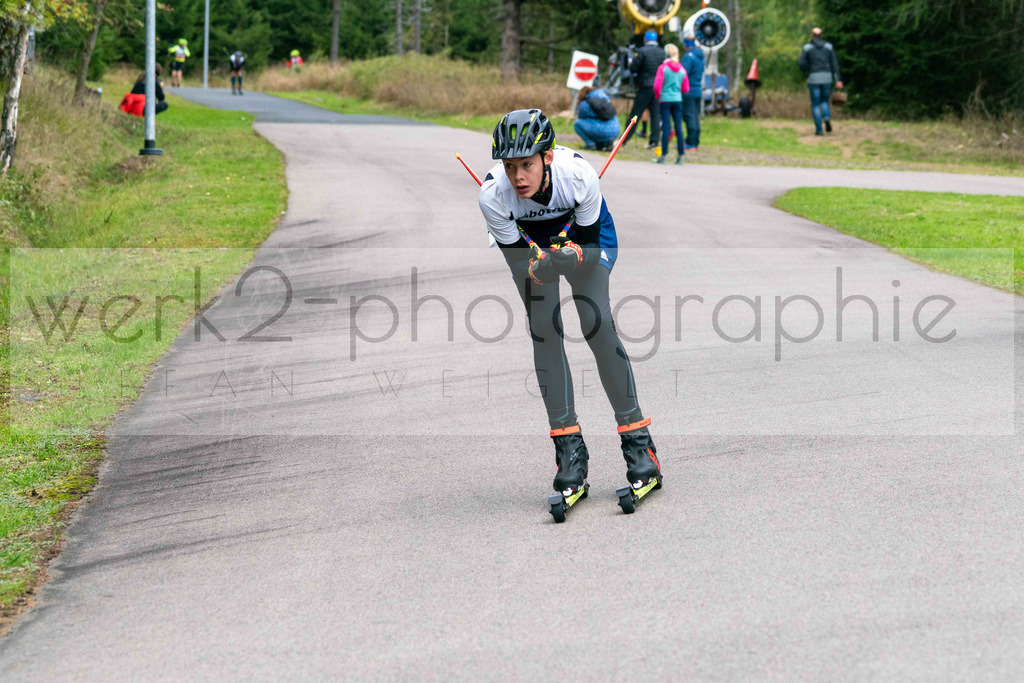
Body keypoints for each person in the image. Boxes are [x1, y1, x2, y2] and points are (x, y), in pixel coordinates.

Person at [477, 109, 663, 501]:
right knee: (544, 329)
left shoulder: (578, 175)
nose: (518, 177)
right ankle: (570, 454)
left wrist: (574, 257)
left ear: (547, 157)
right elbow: (521, 265)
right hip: (531, 245)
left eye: (526, 165)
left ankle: (639, 445)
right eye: (509, 167)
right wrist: (541, 268)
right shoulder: (493, 196)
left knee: (596, 321)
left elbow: (592, 249)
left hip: (584, 236)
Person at [623, 30, 666, 149]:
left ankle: (624, 140)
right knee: (656, 115)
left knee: (635, 113)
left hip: (645, 86)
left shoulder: (642, 51)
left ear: (645, 39)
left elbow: (633, 69)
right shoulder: (662, 52)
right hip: (658, 87)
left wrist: (631, 64)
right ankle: (654, 142)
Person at [799, 27, 843, 136]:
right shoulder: (829, 47)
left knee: (815, 104)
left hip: (813, 78)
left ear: (812, 36)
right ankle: (827, 118)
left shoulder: (807, 48)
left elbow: (801, 63)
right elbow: (834, 64)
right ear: (822, 36)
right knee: (824, 101)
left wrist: (807, 72)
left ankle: (819, 130)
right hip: (827, 77)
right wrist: (838, 79)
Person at [652, 43, 690, 164]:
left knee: (666, 128)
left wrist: (658, 96)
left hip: (665, 100)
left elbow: (657, 86)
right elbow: (685, 89)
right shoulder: (682, 70)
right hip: (677, 100)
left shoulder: (663, 68)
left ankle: (663, 155)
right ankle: (680, 155)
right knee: (678, 127)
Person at [572, 85, 621, 151]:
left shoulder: (585, 103)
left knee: (577, 124)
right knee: (600, 123)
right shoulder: (605, 98)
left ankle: (591, 144)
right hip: (615, 129)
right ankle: (607, 143)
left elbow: (580, 117)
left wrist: (578, 104)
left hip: (601, 130)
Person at [680, 31, 705, 151]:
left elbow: (683, 73)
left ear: (686, 45)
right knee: (695, 116)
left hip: (688, 91)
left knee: (689, 116)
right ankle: (695, 141)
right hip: (697, 90)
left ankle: (690, 143)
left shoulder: (688, 57)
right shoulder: (700, 56)